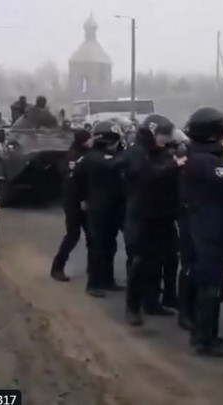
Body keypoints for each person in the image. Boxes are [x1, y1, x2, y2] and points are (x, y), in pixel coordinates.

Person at [182, 107, 223, 357]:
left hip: (211, 226)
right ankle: (204, 340)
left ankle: (205, 333)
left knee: (212, 284)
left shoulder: (204, 155)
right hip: (210, 230)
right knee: (211, 286)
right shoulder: (204, 160)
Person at [123, 114, 185, 326]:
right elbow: (145, 175)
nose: (165, 139)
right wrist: (174, 166)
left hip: (163, 215)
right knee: (140, 262)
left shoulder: (161, 152)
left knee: (166, 258)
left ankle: (153, 301)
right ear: (151, 132)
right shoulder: (136, 152)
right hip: (141, 215)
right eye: (162, 135)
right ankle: (132, 307)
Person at [75, 121, 126, 298]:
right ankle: (93, 283)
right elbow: (78, 179)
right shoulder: (93, 158)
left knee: (110, 245)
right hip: (98, 206)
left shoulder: (112, 155)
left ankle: (107, 279)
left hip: (113, 206)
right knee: (97, 245)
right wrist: (83, 198)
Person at [50, 129, 94, 282]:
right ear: (83, 140)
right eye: (89, 138)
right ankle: (57, 267)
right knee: (73, 235)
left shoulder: (86, 153)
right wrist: (81, 199)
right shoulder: (74, 156)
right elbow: (73, 181)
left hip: (84, 201)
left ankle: (93, 269)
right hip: (74, 202)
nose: (92, 141)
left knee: (92, 237)